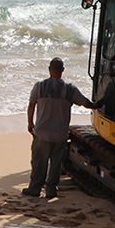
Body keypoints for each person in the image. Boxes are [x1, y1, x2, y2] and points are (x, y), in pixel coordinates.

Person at [24, 57, 102, 199]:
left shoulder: (39, 86)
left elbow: (31, 106)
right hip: (60, 134)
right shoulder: (69, 89)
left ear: (49, 69)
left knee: (39, 162)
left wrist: (30, 123)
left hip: (42, 134)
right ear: (62, 71)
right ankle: (51, 190)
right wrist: (99, 104)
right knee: (55, 164)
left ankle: (35, 188)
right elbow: (86, 103)